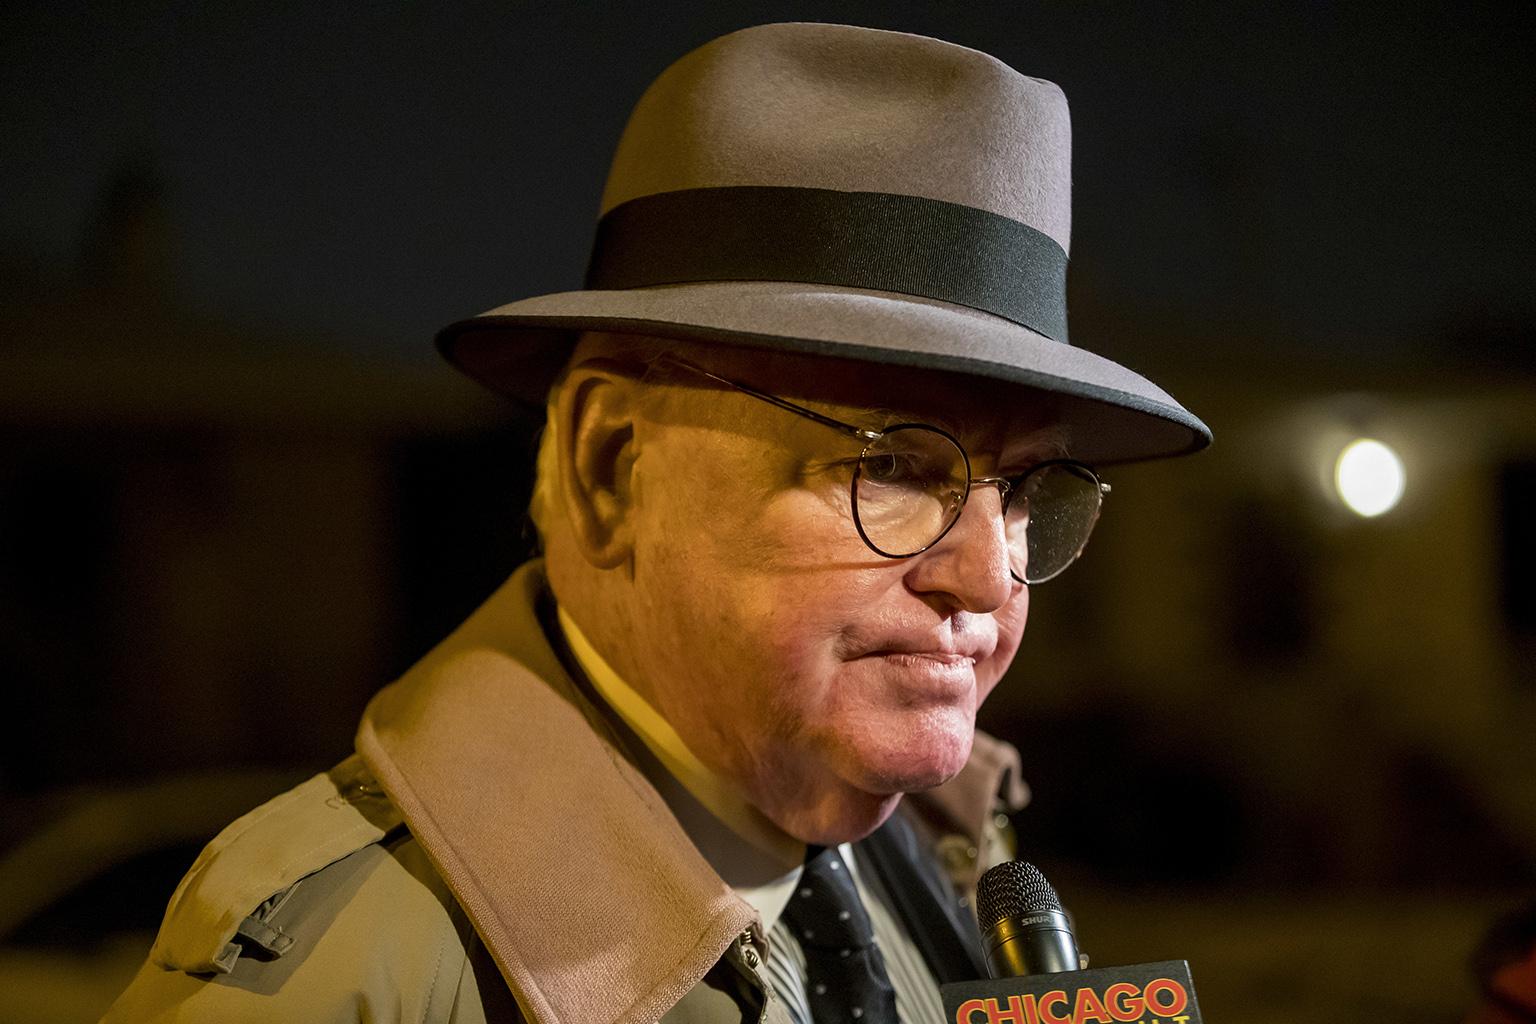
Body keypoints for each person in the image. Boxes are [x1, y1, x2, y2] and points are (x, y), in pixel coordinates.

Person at [103, 21, 1209, 1024]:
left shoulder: (947, 855)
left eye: (1021, 492)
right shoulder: (348, 977)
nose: (986, 574)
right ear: (611, 464)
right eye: (894, 466)